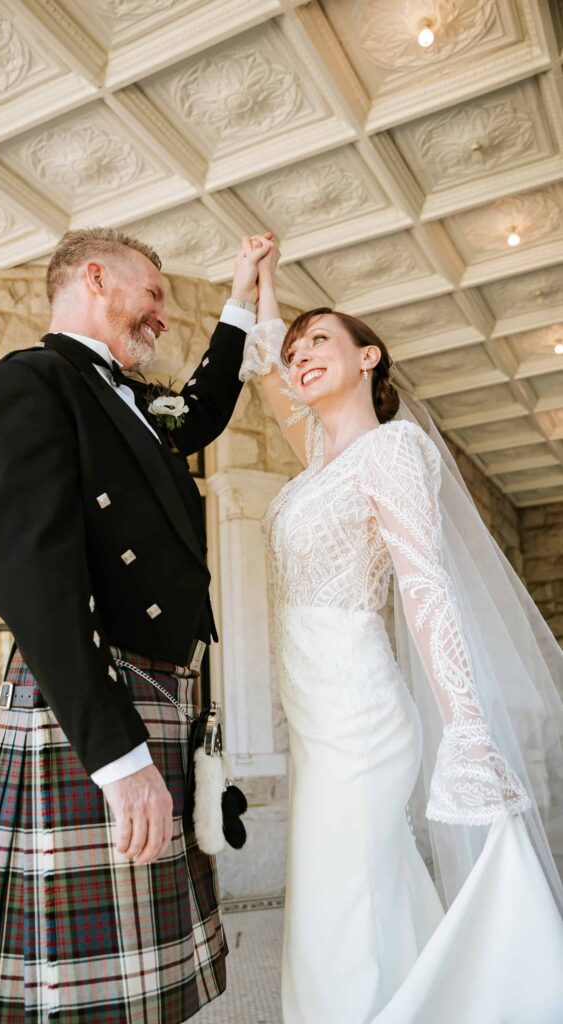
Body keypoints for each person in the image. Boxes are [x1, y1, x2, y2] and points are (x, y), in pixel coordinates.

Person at [0, 226, 272, 1024]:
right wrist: (116, 753)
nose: (161, 318)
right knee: (83, 988)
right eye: (153, 295)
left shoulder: (128, 401)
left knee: (143, 982)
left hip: (155, 685)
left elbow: (198, 412)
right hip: (94, 695)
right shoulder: (33, 382)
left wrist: (240, 294)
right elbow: (31, 574)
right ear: (93, 277)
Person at [239, 237, 563, 1023]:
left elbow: (424, 585)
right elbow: (264, 370)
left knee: (334, 893)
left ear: (368, 357)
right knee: (357, 888)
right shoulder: (316, 457)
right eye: (295, 346)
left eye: (320, 339)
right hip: (312, 715)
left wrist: (466, 731)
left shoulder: (392, 450)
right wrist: (260, 284)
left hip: (359, 711)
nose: (300, 355)